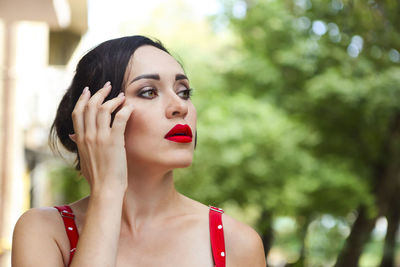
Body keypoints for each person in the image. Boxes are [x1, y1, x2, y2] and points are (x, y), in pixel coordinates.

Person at [11, 35, 266, 267]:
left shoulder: (236, 243)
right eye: (148, 92)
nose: (180, 106)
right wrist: (108, 193)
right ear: (97, 115)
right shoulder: (44, 231)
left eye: (184, 92)